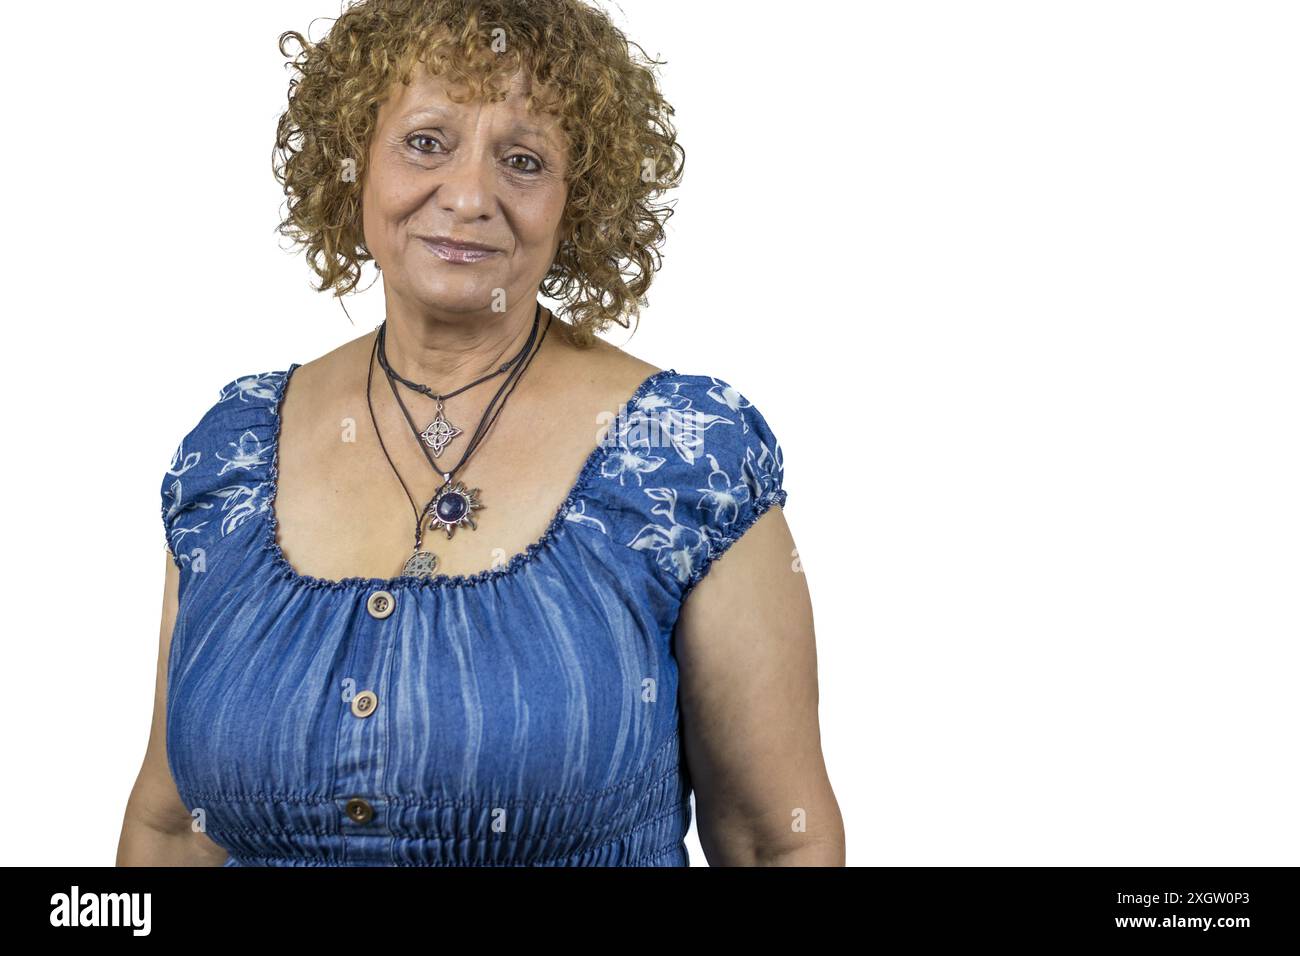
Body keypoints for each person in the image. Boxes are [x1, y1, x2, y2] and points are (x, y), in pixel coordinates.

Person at [118, 0, 842, 866]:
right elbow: (169, 830)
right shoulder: (230, 455)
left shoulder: (684, 454)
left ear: (579, 201)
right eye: (426, 142)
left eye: (524, 160)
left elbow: (774, 842)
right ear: (354, 162)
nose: (467, 197)